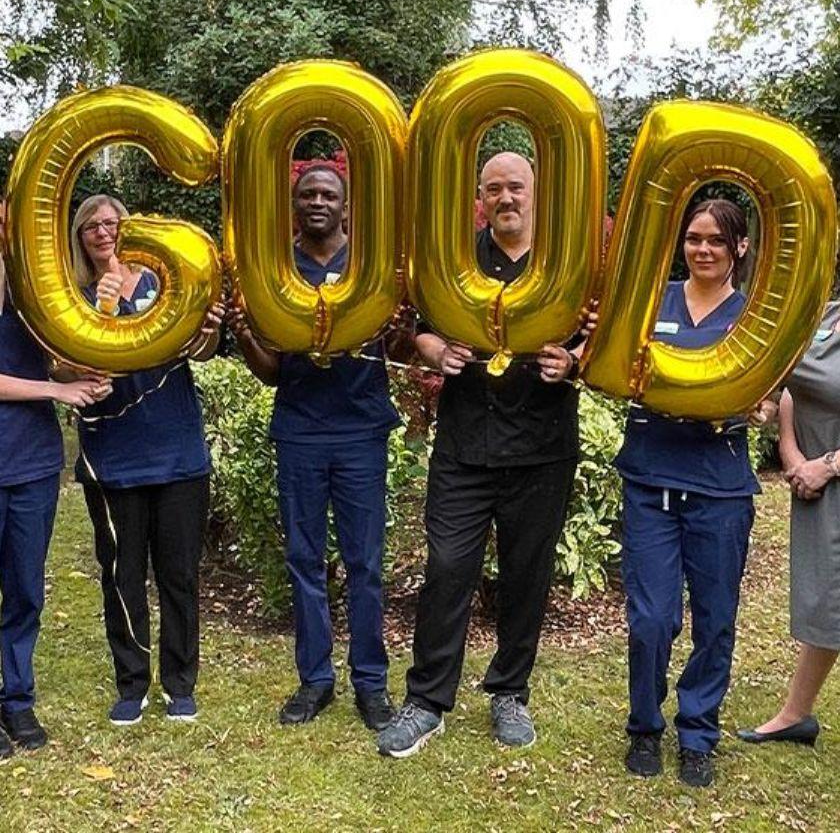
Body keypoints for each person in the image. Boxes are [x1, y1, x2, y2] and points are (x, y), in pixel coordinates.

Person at [378, 152, 586, 758]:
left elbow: (599, 338)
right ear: (480, 199)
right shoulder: (455, 260)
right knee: (447, 568)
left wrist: (573, 361)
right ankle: (426, 701)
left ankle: (509, 694)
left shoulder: (568, 264)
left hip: (542, 446)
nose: (506, 199)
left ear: (536, 194)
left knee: (527, 574)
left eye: (515, 187)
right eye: (494, 189)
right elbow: (414, 325)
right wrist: (433, 349)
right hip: (465, 442)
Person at [227, 164, 400, 731]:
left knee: (365, 563)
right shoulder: (276, 272)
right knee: (304, 560)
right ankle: (315, 680)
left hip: (361, 432)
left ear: (346, 206)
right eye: (308, 194)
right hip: (299, 430)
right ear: (294, 204)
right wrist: (247, 333)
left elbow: (401, 340)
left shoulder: (375, 267)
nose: (319, 201)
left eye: (329, 193)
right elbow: (274, 374)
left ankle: (371, 684)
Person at [615, 198, 770, 788]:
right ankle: (645, 727)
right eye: (693, 238)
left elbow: (772, 391)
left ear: (740, 248)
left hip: (720, 490)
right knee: (651, 619)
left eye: (715, 240)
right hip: (651, 481)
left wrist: (762, 406)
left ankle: (699, 732)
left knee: (715, 620)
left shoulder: (755, 315)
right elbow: (616, 364)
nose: (702, 249)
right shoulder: (653, 302)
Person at [69, 194, 224, 726]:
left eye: (112, 222)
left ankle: (180, 683)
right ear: (79, 236)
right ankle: (132, 683)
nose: (103, 232)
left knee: (179, 575)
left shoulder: (164, 283)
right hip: (113, 459)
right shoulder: (70, 299)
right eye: (91, 225)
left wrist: (207, 333)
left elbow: (201, 349)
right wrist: (104, 309)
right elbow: (66, 372)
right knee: (122, 575)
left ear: (129, 229)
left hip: (179, 452)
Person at [0, 201, 111, 755]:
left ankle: (16, 700)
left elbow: (53, 363)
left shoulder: (37, 294)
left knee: (25, 588)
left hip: (33, 462)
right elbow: (43, 383)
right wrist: (57, 391)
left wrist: (85, 373)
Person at [737, 302, 840, 749]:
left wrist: (830, 465)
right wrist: (793, 456)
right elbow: (793, 387)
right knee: (827, 602)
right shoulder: (825, 315)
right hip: (820, 484)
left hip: (829, 473)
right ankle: (795, 715)